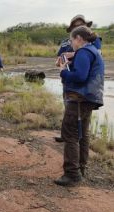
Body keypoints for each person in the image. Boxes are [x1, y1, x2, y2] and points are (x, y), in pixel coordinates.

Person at [55, 26, 104, 186]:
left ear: (79, 39)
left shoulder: (84, 52)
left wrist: (63, 71)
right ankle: (80, 169)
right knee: (82, 134)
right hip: (89, 98)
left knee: (70, 134)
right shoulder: (93, 50)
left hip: (78, 99)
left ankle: (72, 174)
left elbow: (80, 76)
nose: (71, 43)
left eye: (72, 40)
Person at [54, 15, 102, 143]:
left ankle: (77, 139)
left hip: (85, 84)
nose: (79, 27)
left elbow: (95, 54)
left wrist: (73, 54)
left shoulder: (93, 39)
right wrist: (60, 62)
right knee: (69, 110)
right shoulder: (66, 41)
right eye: (75, 25)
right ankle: (68, 136)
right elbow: (59, 57)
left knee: (83, 116)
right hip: (68, 79)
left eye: (81, 24)